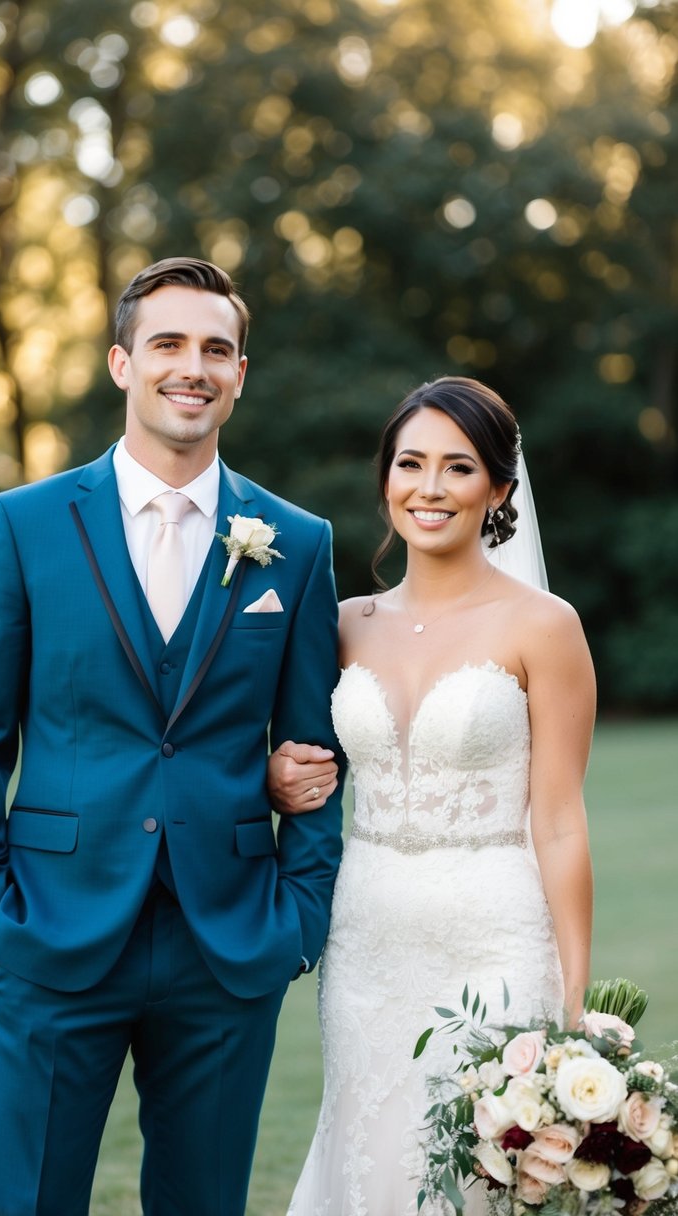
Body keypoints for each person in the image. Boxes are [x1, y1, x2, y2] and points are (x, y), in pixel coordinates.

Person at [0, 256, 345, 1216]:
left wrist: (297, 923)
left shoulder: (296, 539)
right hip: (51, 925)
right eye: (167, 344)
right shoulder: (24, 525)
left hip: (229, 939)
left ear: (241, 372)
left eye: (216, 348)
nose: (190, 367)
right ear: (123, 362)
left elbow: (321, 750)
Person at [270, 376, 595, 1216]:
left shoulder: (544, 626)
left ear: (497, 489)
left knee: (475, 1172)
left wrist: (573, 995)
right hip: (367, 939)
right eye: (410, 463)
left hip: (494, 934)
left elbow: (558, 820)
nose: (429, 487)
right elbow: (292, 754)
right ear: (385, 480)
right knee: (366, 1149)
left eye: (457, 467)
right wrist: (276, 777)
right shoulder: (341, 624)